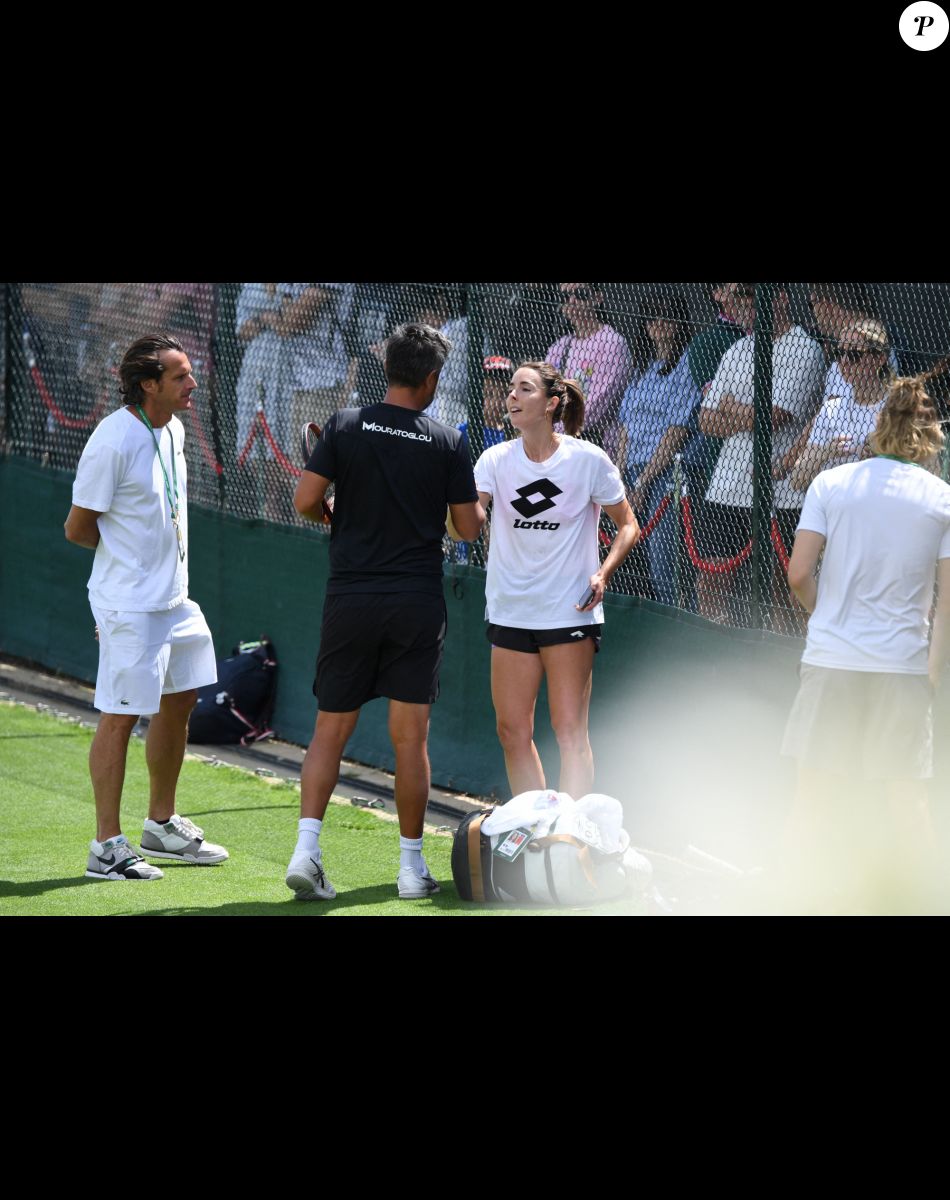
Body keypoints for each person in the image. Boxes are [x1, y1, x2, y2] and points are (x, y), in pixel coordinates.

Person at [285, 323, 485, 901]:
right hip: (415, 602)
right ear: (431, 379)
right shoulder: (448, 440)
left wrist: (336, 519)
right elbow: (468, 527)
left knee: (330, 730)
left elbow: (304, 502)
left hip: (350, 598)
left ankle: (306, 852)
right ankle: (410, 869)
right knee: (409, 740)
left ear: (388, 368)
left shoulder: (346, 424)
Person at [64, 334, 228, 881]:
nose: (193, 385)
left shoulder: (175, 430)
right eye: (181, 377)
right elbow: (79, 529)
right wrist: (117, 600)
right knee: (120, 714)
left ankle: (159, 824)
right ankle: (106, 846)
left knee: (179, 698)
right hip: (131, 605)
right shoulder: (112, 441)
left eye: (190, 374)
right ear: (148, 385)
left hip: (175, 600)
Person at [783, 375, 950, 910]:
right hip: (902, 667)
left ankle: (794, 896)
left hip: (831, 657)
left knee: (813, 792)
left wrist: (824, 617)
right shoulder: (942, 498)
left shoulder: (830, 483)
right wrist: (930, 670)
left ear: (879, 424)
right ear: (931, 436)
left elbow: (798, 575)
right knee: (908, 798)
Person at [473, 361, 639, 799]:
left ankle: (573, 839)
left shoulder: (588, 460)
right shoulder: (494, 459)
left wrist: (603, 573)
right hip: (510, 609)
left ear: (549, 404)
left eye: (523, 389)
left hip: (570, 610)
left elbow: (628, 525)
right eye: (510, 389)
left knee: (569, 733)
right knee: (512, 731)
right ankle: (536, 827)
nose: (511, 396)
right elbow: (469, 518)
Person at [697, 285, 825, 627]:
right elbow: (705, 420)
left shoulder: (805, 348)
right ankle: (712, 659)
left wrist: (731, 407)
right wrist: (748, 414)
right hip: (727, 486)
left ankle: (783, 663)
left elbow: (777, 416)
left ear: (780, 295)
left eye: (747, 294)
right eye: (735, 297)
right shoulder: (738, 349)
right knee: (710, 584)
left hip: (780, 491)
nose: (739, 304)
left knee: (784, 591)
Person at [618, 287, 703, 609]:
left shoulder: (686, 365)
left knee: (663, 559)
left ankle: (680, 620)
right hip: (632, 472)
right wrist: (620, 476)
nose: (659, 323)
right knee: (631, 560)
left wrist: (642, 482)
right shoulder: (643, 368)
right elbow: (625, 428)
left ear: (679, 321)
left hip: (665, 474)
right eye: (652, 316)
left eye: (667, 316)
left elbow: (675, 433)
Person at [787, 320, 892, 491]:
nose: (843, 361)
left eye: (854, 355)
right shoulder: (831, 409)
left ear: (879, 358)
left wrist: (880, 457)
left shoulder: (896, 409)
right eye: (840, 352)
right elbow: (796, 481)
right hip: (835, 508)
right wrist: (824, 453)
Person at [545, 284, 633, 462]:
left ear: (597, 298)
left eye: (580, 294)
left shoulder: (612, 343)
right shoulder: (560, 346)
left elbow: (598, 404)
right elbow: (542, 392)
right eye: (565, 296)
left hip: (593, 445)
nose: (572, 301)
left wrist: (551, 430)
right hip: (555, 444)